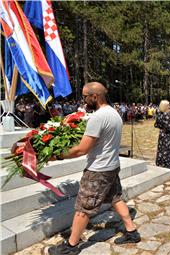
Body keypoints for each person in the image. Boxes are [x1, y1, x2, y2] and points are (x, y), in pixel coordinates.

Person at [49, 82, 140, 255]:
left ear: (95, 96)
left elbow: (82, 149)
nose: (83, 100)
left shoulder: (97, 117)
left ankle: (71, 246)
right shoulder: (114, 113)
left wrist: (58, 155)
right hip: (112, 165)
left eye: (85, 96)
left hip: (98, 169)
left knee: (84, 207)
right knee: (115, 198)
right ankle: (132, 231)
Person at [155, 100, 170, 169]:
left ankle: (160, 162)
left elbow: (156, 125)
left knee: (161, 148)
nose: (169, 107)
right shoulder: (166, 114)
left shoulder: (159, 114)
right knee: (167, 149)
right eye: (168, 105)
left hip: (161, 133)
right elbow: (169, 126)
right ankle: (167, 163)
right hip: (166, 134)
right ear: (165, 106)